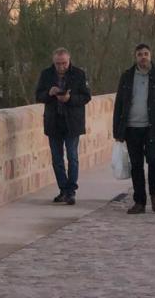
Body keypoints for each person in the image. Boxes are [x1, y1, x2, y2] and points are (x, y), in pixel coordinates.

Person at [112, 43, 155, 214]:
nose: (143, 57)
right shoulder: (127, 76)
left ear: (151, 55)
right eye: (140, 54)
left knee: (154, 162)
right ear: (135, 57)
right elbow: (119, 104)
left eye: (146, 54)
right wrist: (117, 131)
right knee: (136, 165)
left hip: (153, 127)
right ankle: (139, 201)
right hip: (132, 127)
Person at [35, 48, 92, 205]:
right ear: (54, 62)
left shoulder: (79, 74)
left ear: (69, 60)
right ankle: (63, 189)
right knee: (57, 159)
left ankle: (71, 190)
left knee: (72, 157)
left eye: (64, 63)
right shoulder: (46, 74)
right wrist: (49, 93)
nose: (61, 67)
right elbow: (38, 95)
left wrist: (69, 98)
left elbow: (86, 96)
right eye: (58, 64)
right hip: (54, 122)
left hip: (72, 122)